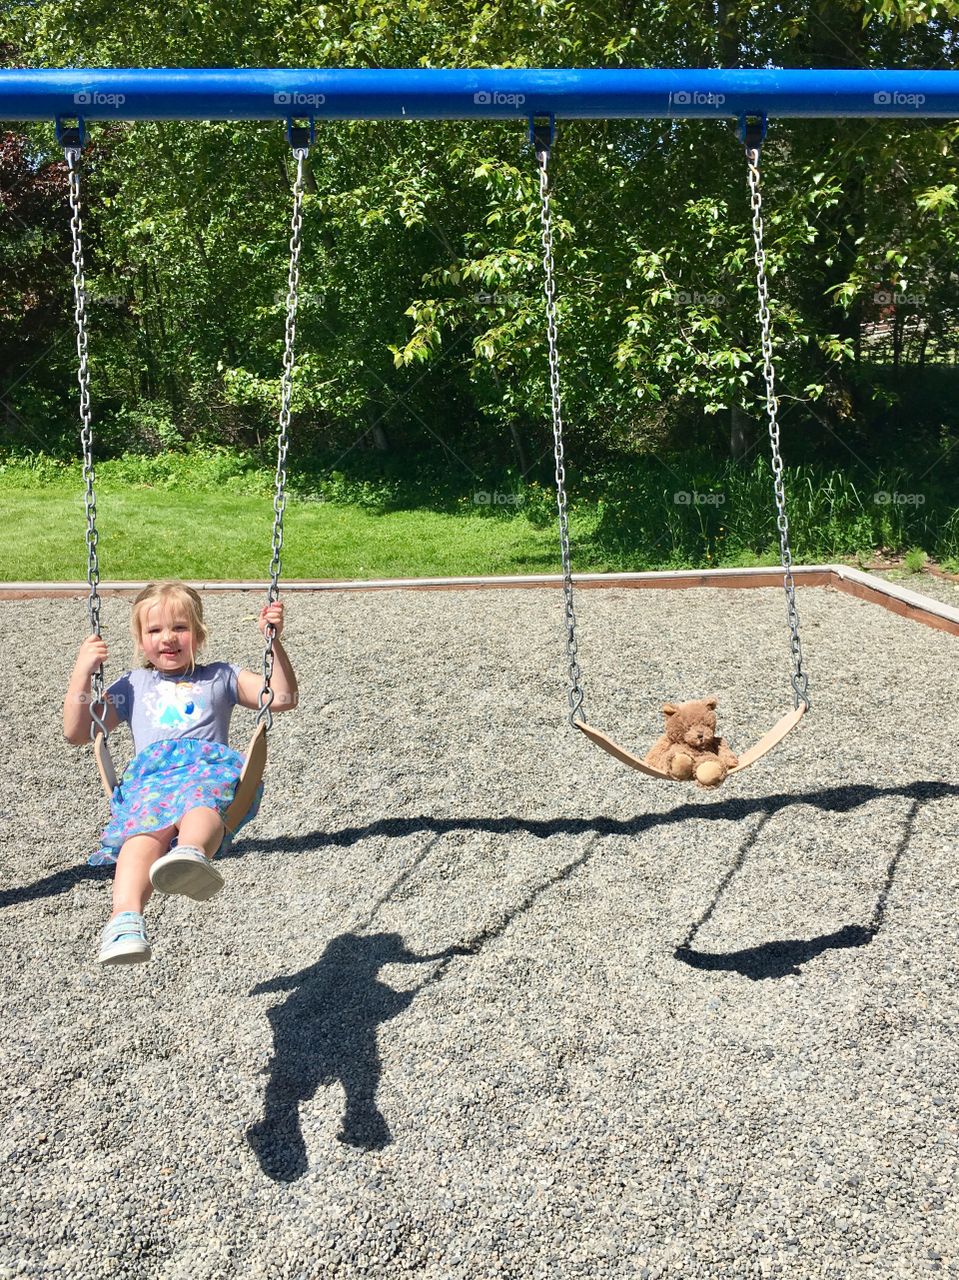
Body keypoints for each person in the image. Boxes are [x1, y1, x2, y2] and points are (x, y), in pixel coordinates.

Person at [63, 580, 298, 967]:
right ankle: (125, 921)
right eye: (154, 630)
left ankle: (190, 854)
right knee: (140, 837)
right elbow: (77, 732)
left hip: (205, 772)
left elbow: (283, 698)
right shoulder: (132, 685)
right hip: (151, 782)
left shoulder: (221, 677)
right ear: (140, 640)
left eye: (180, 628)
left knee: (199, 804)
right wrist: (82, 673)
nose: (168, 639)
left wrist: (274, 643)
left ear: (199, 634)